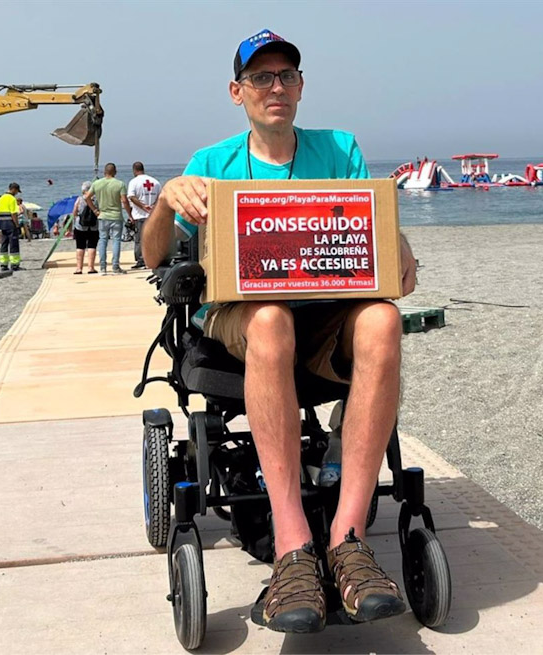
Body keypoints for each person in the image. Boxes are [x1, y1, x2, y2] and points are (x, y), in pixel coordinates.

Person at [142, 28, 417, 634]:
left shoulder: (339, 150)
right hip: (244, 319)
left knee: (383, 317)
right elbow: (153, 255)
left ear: (300, 87)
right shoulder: (209, 164)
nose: (276, 87)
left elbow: (394, 270)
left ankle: (348, 538)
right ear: (237, 91)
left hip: (323, 317)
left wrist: (392, 233)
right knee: (270, 319)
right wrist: (166, 201)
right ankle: (294, 544)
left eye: (286, 76)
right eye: (262, 78)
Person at [84, 163, 131, 275]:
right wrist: (130, 214)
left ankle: (103, 267)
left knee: (103, 240)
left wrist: (95, 210)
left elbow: (87, 197)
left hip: (103, 216)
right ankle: (115, 266)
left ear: (104, 172)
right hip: (116, 216)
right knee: (116, 241)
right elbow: (124, 201)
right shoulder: (120, 184)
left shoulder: (97, 183)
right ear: (115, 172)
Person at [127, 161, 162, 269]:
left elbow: (131, 196)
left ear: (134, 170)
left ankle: (141, 260)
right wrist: (153, 206)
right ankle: (153, 259)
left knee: (139, 239)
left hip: (140, 215)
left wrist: (143, 206)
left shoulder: (134, 182)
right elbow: (161, 197)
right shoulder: (155, 182)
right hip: (153, 215)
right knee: (152, 238)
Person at [71, 181, 99, 274]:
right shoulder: (97, 199)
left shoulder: (79, 199)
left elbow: (74, 213)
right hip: (94, 226)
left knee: (80, 246)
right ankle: (90, 267)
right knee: (92, 246)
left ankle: (79, 268)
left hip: (80, 226)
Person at [0, 182, 22, 271]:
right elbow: (13, 213)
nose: (17, 193)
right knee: (13, 244)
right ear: (14, 189)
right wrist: (17, 225)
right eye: (17, 191)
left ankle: (3, 264)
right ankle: (14, 265)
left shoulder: (1, 198)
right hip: (11, 224)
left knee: (4, 244)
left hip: (2, 224)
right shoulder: (12, 199)